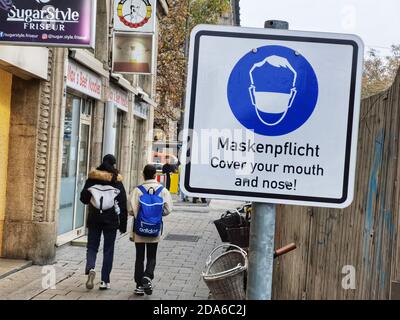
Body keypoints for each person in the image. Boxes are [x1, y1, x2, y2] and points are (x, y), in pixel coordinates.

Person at [80, 154, 127, 290]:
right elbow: (123, 203)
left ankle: (91, 268)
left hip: (94, 218)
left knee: (92, 247)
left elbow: (83, 198)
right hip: (111, 220)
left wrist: (93, 197)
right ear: (113, 164)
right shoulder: (116, 180)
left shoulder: (93, 178)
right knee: (108, 250)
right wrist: (122, 225)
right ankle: (104, 281)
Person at [129, 164, 173, 296]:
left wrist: (140, 215)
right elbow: (168, 209)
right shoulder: (163, 190)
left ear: (143, 175)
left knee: (139, 257)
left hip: (139, 229)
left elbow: (131, 210)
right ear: (155, 175)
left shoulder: (137, 190)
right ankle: (147, 276)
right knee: (152, 256)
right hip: (154, 229)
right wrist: (156, 215)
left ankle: (139, 286)